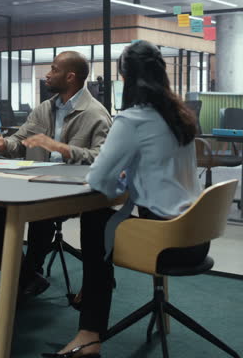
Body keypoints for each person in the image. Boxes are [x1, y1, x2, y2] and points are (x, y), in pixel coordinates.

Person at [44, 41, 204, 358]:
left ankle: (89, 334)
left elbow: (100, 181)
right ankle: (95, 302)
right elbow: (159, 170)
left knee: (95, 221)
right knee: (107, 222)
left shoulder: (132, 120)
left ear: (126, 78)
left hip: (163, 239)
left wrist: (119, 175)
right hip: (195, 235)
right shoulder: (180, 117)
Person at [0, 51, 112, 299]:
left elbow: (103, 158)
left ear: (70, 76)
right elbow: (19, 141)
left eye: (53, 69)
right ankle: (23, 274)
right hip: (37, 179)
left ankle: (27, 274)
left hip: (73, 187)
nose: (47, 75)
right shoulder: (44, 109)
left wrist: (62, 149)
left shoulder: (96, 114)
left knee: (41, 213)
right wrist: (1, 144)